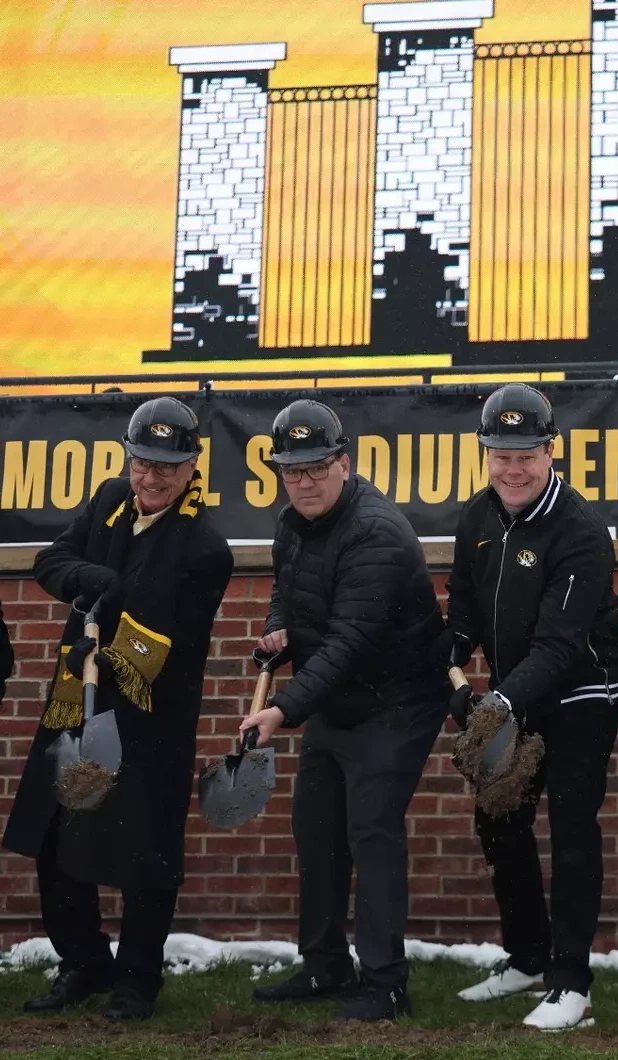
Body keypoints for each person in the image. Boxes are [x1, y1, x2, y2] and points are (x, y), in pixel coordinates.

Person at [2, 397, 233, 1021]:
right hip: (77, 702)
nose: (150, 478)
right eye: (142, 463)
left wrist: (108, 602)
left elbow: (169, 636)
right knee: (55, 834)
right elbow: (51, 562)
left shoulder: (206, 547)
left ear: (191, 468)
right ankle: (82, 962)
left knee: (145, 854)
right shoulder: (108, 501)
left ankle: (136, 982)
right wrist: (93, 581)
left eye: (166, 466)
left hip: (150, 719)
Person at [240, 399, 448, 1022]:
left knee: (372, 830)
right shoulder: (294, 520)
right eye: (291, 469)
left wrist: (283, 709)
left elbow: (350, 639)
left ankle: (386, 983)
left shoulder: (375, 534)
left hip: (398, 701)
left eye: (316, 467)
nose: (303, 481)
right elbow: (286, 589)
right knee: (318, 830)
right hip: (338, 698)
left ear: (344, 464)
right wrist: (279, 628)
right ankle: (326, 965)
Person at [450, 384, 618, 1032]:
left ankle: (571, 983)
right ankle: (526, 958)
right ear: (485, 453)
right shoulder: (477, 517)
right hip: (513, 694)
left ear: (549, 451)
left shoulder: (580, 531)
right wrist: (450, 654)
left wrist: (495, 702)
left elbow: (559, 646)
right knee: (499, 819)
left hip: (584, 691)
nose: (513, 468)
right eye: (501, 454)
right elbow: (465, 611)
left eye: (526, 453)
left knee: (571, 826)